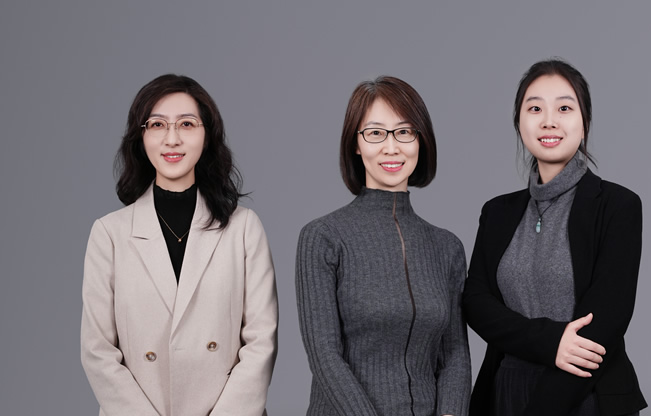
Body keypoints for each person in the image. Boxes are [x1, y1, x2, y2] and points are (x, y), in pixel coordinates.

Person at [80, 74, 278, 416]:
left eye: (187, 124)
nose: (172, 139)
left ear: (207, 135)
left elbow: (261, 342)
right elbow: (97, 351)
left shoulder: (244, 229)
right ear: (141, 136)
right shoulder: (109, 234)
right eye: (157, 125)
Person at [463, 59, 647, 416]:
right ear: (519, 123)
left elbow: (605, 322)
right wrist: (550, 341)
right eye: (535, 109)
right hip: (506, 391)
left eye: (564, 108)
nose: (549, 121)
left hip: (586, 393)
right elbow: (476, 302)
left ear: (585, 122)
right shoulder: (497, 212)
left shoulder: (618, 206)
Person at [295, 76, 471, 416]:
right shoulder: (323, 236)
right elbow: (324, 355)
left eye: (404, 132)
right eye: (375, 133)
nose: (392, 147)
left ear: (420, 141)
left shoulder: (447, 247)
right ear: (355, 144)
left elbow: (455, 356)